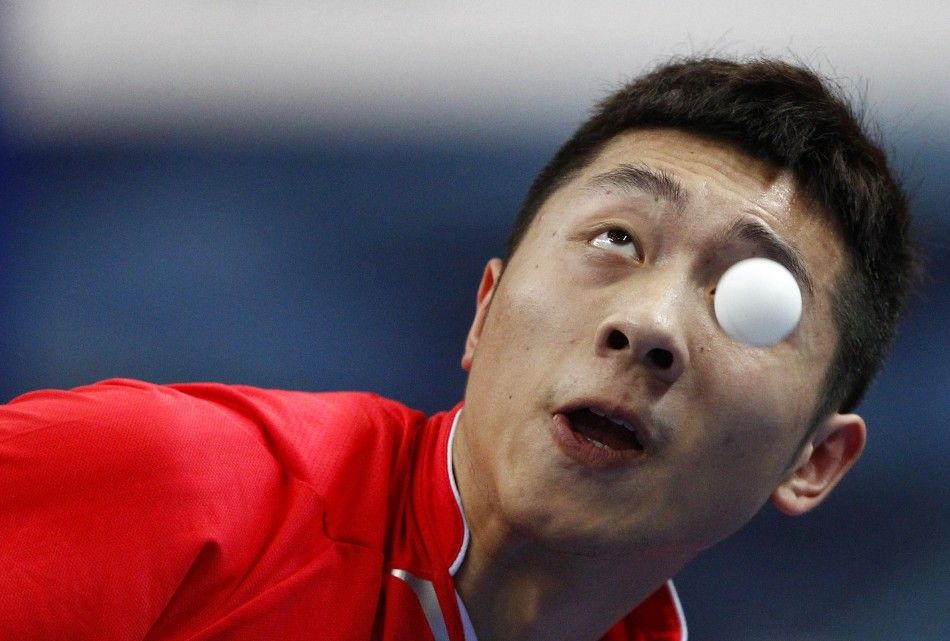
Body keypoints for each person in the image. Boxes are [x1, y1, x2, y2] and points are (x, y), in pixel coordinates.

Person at [0, 57, 916, 641]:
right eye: (618, 241)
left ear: (814, 461)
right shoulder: (172, 483)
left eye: (748, 301)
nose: (649, 326)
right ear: (483, 313)